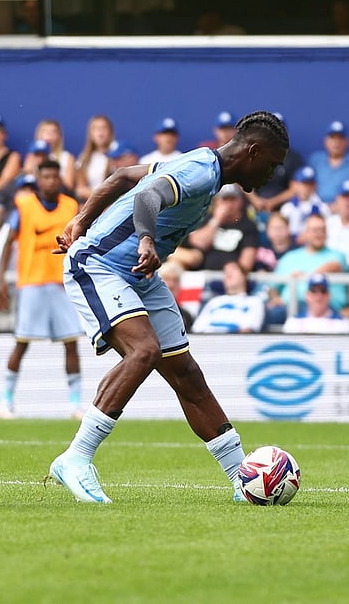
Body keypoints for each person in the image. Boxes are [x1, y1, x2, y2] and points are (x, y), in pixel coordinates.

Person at [48, 110, 289, 504]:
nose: (272, 174)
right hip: (101, 265)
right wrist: (144, 240)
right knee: (144, 351)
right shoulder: (200, 169)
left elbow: (126, 175)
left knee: (186, 374)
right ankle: (76, 458)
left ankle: (241, 478)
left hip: (139, 276)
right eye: (272, 165)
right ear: (254, 151)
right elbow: (146, 194)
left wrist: (81, 218)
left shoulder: (199, 166)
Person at [0, 159, 83, 418]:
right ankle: (6, 400)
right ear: (39, 180)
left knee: (71, 342)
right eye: (47, 177)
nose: (51, 181)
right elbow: (8, 240)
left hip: (62, 283)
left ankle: (75, 404)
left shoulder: (70, 206)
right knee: (21, 342)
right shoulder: (24, 206)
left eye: (55, 176)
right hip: (31, 283)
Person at [267, 215, 349, 324]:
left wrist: (305, 277)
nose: (319, 234)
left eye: (323, 230)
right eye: (315, 230)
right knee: (266, 313)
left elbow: (333, 266)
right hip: (289, 306)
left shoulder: (337, 255)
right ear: (305, 233)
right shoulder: (290, 257)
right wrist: (275, 298)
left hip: (327, 306)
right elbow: (273, 287)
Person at [172, 184, 258, 273]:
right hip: (202, 275)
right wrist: (216, 220)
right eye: (225, 200)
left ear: (240, 201)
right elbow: (198, 243)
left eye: (233, 199)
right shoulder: (206, 219)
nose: (229, 205)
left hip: (231, 276)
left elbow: (247, 263)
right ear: (217, 201)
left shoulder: (248, 225)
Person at [191, 262, 264, 334]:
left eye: (233, 269)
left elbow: (247, 330)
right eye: (225, 272)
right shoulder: (214, 301)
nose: (228, 273)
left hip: (233, 342)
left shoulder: (254, 302)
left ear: (244, 276)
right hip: (207, 340)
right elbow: (197, 329)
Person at [308, 120, 349, 203]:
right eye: (333, 138)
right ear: (326, 141)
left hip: (346, 208)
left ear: (347, 142)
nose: (336, 142)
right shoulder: (316, 159)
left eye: (340, 138)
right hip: (317, 207)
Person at [282, 274, 349, 334]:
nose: (319, 296)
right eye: (313, 291)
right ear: (307, 295)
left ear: (329, 295)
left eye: (323, 291)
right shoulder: (294, 322)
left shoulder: (342, 322)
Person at [74, 115, 117, 203]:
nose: (100, 132)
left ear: (110, 132)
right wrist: (99, 197)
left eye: (104, 128)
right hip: (93, 204)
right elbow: (80, 188)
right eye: (96, 128)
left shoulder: (117, 153)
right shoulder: (84, 158)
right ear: (90, 133)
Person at [279, 166, 329, 239]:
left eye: (310, 184)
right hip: (292, 244)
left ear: (315, 185)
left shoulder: (323, 208)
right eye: (303, 184)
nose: (306, 187)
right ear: (296, 185)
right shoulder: (287, 208)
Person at [31, 119, 76, 189]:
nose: (49, 135)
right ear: (39, 135)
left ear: (59, 136)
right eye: (45, 131)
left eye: (54, 132)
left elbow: (69, 185)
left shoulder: (67, 157)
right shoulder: (32, 156)